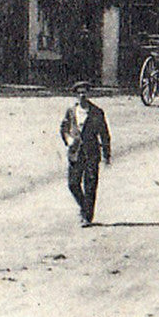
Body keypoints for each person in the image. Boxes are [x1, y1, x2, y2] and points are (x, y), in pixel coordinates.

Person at [59, 81, 112, 227]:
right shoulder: (71, 111)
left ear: (89, 94)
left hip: (91, 153)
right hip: (75, 153)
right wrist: (68, 139)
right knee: (73, 184)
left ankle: (87, 217)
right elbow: (63, 128)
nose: (82, 95)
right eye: (79, 93)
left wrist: (107, 154)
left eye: (84, 92)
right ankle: (84, 207)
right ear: (75, 95)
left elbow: (104, 134)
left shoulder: (97, 112)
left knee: (90, 185)